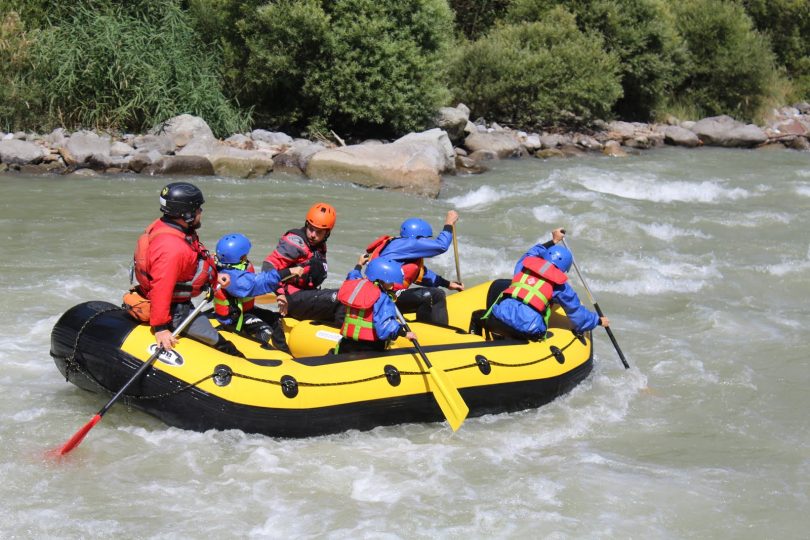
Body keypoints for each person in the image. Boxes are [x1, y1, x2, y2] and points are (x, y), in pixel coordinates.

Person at [131, 182, 243, 356]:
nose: (200, 212)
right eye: (197, 208)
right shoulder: (172, 249)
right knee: (226, 349)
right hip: (176, 311)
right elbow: (162, 287)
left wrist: (215, 277)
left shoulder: (167, 225)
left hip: (178, 302)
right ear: (186, 213)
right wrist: (160, 327)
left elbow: (194, 257)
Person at [484, 243, 609, 340]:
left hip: (499, 315)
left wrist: (553, 241)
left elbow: (531, 252)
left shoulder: (523, 266)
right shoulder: (561, 287)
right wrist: (597, 320)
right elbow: (577, 314)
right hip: (527, 327)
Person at [364, 210, 464, 325]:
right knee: (435, 295)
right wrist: (449, 223)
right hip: (384, 296)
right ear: (417, 237)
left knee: (430, 294)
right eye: (425, 238)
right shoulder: (409, 243)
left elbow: (421, 274)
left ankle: (423, 327)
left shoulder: (401, 248)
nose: (426, 242)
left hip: (386, 295)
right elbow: (441, 246)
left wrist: (447, 284)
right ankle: (438, 332)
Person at [214, 233, 304, 353]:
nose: (246, 257)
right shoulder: (233, 278)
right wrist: (289, 271)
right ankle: (255, 356)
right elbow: (258, 283)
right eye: (244, 255)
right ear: (239, 258)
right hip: (233, 319)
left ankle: (284, 352)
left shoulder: (229, 265)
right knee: (265, 330)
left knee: (273, 318)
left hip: (245, 310)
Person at [261, 202, 344, 324]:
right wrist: (279, 293)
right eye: (311, 229)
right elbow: (268, 266)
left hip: (306, 294)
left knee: (347, 294)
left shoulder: (319, 246)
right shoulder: (295, 242)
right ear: (306, 224)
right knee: (339, 298)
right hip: (291, 298)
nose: (313, 235)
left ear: (327, 233)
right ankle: (343, 340)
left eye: (319, 232)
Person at [335, 256, 416, 354]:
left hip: (347, 343)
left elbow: (353, 275)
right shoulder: (382, 297)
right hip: (369, 347)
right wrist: (405, 333)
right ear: (380, 280)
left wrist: (359, 264)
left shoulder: (355, 285)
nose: (392, 285)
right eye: (389, 281)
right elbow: (385, 325)